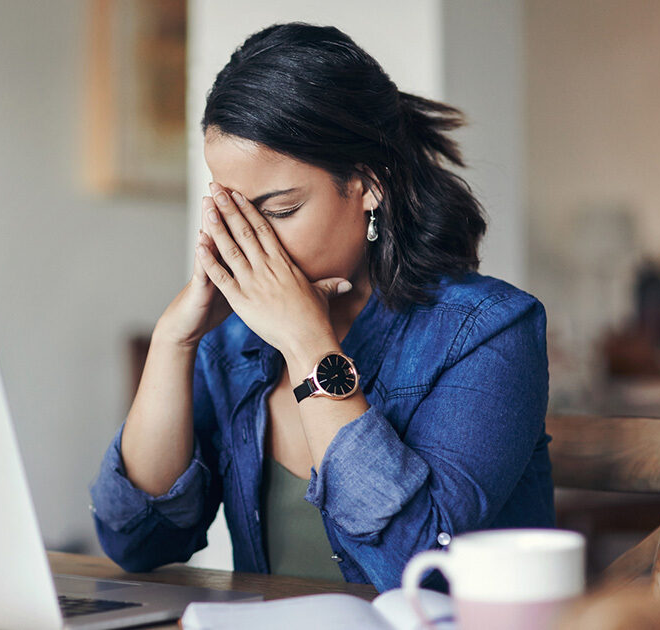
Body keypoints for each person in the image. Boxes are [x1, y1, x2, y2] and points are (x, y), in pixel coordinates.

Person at [89, 22, 553, 591]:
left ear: (368, 184)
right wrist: (174, 342)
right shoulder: (233, 342)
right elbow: (136, 541)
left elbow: (416, 572)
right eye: (235, 211)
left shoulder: (488, 331)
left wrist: (308, 344)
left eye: (280, 210)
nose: (254, 242)